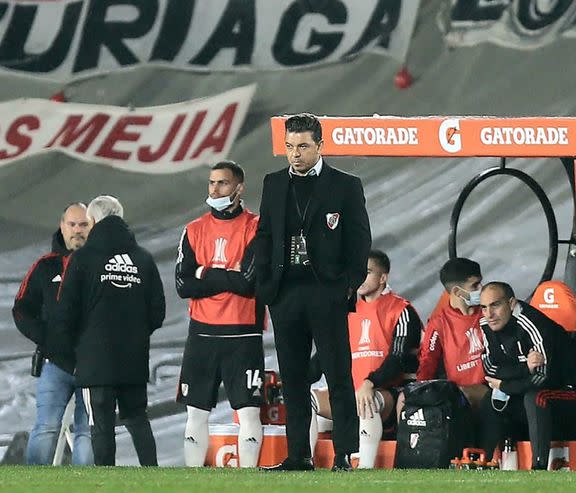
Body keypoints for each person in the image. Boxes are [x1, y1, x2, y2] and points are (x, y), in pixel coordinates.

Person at [254, 113, 372, 471]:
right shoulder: (273, 183)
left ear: (320, 146)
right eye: (289, 147)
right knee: (292, 378)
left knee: (337, 375)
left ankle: (343, 456)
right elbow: (264, 235)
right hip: (285, 293)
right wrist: (265, 284)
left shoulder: (345, 185)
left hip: (326, 293)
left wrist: (345, 287)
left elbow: (360, 240)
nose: (295, 154)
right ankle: (298, 456)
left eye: (303, 146)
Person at [53, 196, 164, 466]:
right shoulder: (143, 259)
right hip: (134, 358)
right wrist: (135, 335)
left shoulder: (82, 259)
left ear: (91, 222)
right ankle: (154, 476)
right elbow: (157, 313)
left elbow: (65, 312)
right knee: (138, 418)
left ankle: (107, 482)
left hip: (95, 360)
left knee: (100, 424)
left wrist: (79, 347)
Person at [175, 161, 265, 468]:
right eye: (212, 183)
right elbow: (183, 285)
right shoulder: (193, 230)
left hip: (243, 333)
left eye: (222, 183)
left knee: (250, 411)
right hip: (201, 332)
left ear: (239, 188)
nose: (215, 189)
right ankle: (192, 480)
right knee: (195, 411)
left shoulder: (257, 227)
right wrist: (227, 274)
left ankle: (249, 481)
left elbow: (248, 283)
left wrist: (204, 272)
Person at [310, 250, 422, 468]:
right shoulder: (346, 310)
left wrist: (370, 383)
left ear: (383, 278)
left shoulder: (402, 310)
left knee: (366, 400)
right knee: (307, 398)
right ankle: (307, 462)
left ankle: (365, 468)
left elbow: (397, 360)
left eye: (367, 272)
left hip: (389, 394)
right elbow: (325, 355)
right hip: (350, 393)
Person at [479, 282, 576, 468]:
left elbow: (541, 379)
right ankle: (487, 463)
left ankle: (538, 467)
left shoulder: (533, 325)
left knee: (536, 398)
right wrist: (525, 368)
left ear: (511, 303)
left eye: (495, 305)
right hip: (530, 387)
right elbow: (489, 369)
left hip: (574, 391)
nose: (489, 314)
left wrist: (504, 385)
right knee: (489, 400)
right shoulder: (485, 323)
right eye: (483, 307)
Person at [12, 203, 93, 466]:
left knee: (87, 432)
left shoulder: (104, 265)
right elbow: (22, 309)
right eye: (72, 225)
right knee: (45, 427)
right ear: (62, 226)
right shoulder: (44, 267)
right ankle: (33, 492)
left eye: (83, 225)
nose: (77, 231)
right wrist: (46, 339)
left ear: (92, 227)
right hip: (55, 365)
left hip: (95, 366)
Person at [415, 258, 487, 408]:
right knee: (404, 400)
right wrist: (419, 393)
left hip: (491, 388)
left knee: (462, 396)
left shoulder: (489, 312)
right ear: (456, 292)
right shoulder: (439, 323)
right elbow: (428, 361)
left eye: (481, 282)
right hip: (456, 394)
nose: (482, 288)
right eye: (475, 285)